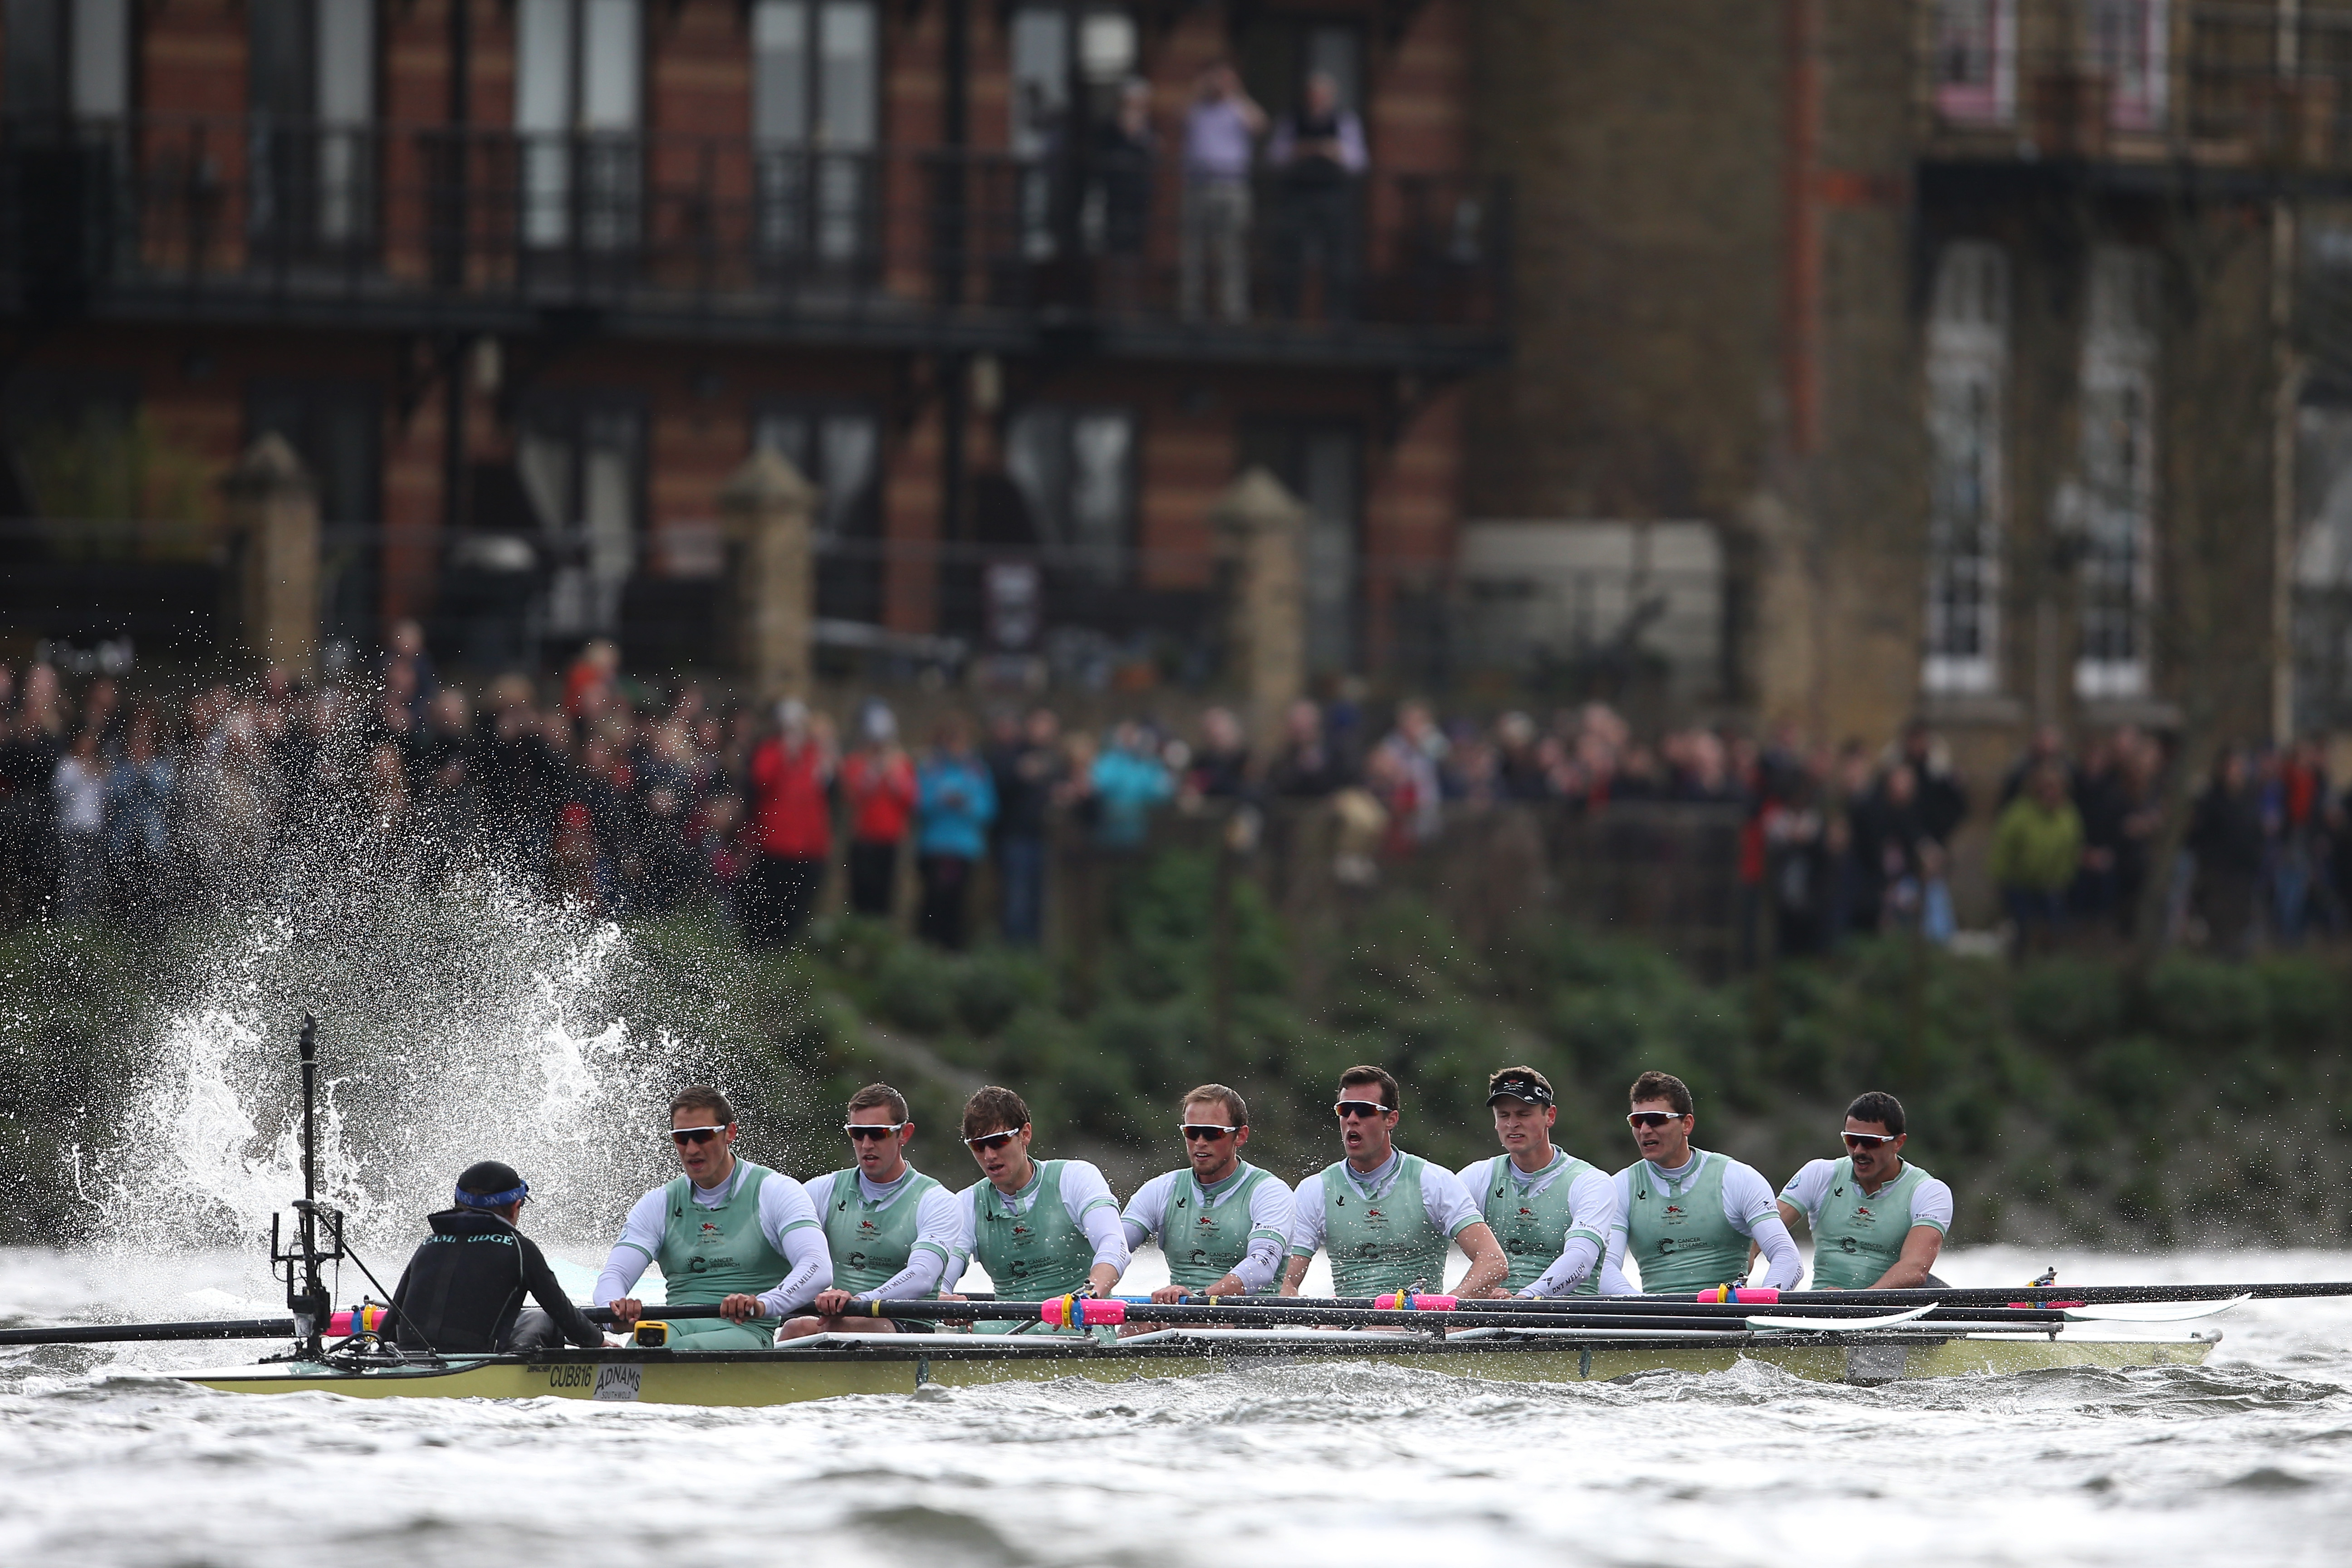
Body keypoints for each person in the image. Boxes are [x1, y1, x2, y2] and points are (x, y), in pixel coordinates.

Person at [595, 1087, 832, 1348]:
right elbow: (614, 1276)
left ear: (729, 1133)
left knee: (684, 1350)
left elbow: (817, 1267)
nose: (692, 1149)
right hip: (675, 1323)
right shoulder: (659, 1202)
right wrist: (614, 1312)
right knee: (641, 1346)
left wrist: (765, 1303)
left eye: (702, 1136)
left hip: (747, 1329)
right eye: (682, 1139)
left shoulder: (776, 1191)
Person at [1282, 1065, 1508, 1298]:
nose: (1351, 1119)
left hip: (1419, 1326)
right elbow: (1284, 1281)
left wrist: (1446, 1307)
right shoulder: (1315, 1189)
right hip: (1347, 1327)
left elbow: (1493, 1261)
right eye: (1345, 1110)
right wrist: (1310, 1325)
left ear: (1391, 1119)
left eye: (1364, 1110)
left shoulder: (1433, 1182)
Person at [779, 1083, 963, 1340]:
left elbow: (922, 1276)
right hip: (842, 1319)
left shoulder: (936, 1200)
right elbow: (779, 1256)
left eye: (877, 1134)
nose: (866, 1145)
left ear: (904, 1134)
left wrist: (860, 1302)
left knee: (811, 1328)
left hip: (907, 1325)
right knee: (794, 1327)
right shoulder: (823, 1190)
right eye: (857, 1133)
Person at [946, 1085, 1128, 1333]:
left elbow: (1114, 1244)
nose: (989, 1155)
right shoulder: (966, 1202)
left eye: (998, 1142)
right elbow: (946, 1266)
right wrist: (943, 1295)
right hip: (1007, 1326)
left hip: (1078, 1320)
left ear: (1026, 1134)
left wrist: (1091, 1293)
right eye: (978, 1146)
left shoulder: (1075, 1178)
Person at [1605, 1070, 1801, 1294]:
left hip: (1728, 1318)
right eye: (1637, 1121)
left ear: (1687, 1124)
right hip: (1658, 1320)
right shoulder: (1620, 1187)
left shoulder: (1737, 1178)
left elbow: (1788, 1257)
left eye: (1656, 1119)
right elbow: (1605, 1268)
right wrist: (1641, 1308)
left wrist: (1763, 1299)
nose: (1645, 1130)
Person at [384, 1160, 606, 1354]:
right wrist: (601, 1342)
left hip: (408, 1356)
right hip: (476, 1363)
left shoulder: (429, 1244)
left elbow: (392, 1318)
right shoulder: (520, 1249)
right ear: (515, 1206)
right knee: (543, 1318)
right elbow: (563, 1313)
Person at [1120, 1083, 1295, 1301]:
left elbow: (1261, 1267)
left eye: (1213, 1134)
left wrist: (1198, 1299)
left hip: (1249, 1322)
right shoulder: (1162, 1189)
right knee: (1140, 1324)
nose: (1200, 1143)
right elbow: (1114, 1248)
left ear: (1240, 1136)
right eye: (1192, 1132)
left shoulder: (1269, 1192)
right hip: (1185, 1313)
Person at [1455, 1067, 1618, 1298]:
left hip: (1565, 1321)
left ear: (1550, 1116)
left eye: (1523, 1114)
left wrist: (1524, 1299)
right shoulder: (1478, 1176)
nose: (1512, 1124)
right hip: (1498, 1315)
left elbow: (1581, 1261)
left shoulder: (1590, 1182)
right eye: (1504, 1115)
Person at [1770, 1091, 1952, 1290]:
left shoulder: (1929, 1191)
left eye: (1870, 1142)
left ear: (1898, 1143)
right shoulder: (1819, 1175)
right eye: (1851, 1140)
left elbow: (1915, 1269)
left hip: (1885, 1311)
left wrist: (1855, 1302)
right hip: (1821, 1306)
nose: (1858, 1152)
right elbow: (1765, 1232)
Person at [1268, 70, 1367, 319]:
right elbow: (1274, 157)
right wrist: (1300, 150)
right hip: (1298, 195)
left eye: (1322, 95)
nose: (1317, 99)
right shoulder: (1292, 121)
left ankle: (1338, 318)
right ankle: (1287, 316)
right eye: (1313, 95)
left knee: (1338, 259)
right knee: (1290, 257)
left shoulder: (1344, 121)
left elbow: (1359, 161)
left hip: (1333, 196)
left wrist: (1334, 151)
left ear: (1331, 97)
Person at [740, 700, 834, 949]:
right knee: (768, 901)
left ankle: (786, 948)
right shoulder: (770, 751)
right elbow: (761, 781)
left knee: (797, 905)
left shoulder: (815, 754)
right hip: (774, 842)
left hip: (808, 845)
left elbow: (830, 787)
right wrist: (785, 754)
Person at [1180, 61, 1266, 323]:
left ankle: (1233, 310)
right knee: (1192, 248)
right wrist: (1200, 89)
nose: (1219, 85)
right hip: (1198, 186)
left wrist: (1236, 93)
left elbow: (1260, 124)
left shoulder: (1239, 107)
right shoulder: (1198, 108)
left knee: (1231, 249)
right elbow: (1179, 117)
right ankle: (1189, 308)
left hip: (1231, 187)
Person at [915, 715, 995, 950]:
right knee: (932, 901)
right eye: (951, 741)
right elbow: (918, 804)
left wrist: (966, 804)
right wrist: (941, 800)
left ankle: (953, 952)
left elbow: (988, 810)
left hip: (964, 848)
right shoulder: (931, 768)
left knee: (958, 904)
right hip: (935, 846)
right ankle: (926, 948)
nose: (957, 747)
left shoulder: (978, 771)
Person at [1992, 759, 2083, 959]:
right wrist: (2003, 879)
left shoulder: (2068, 817)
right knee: (2021, 926)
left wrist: (2062, 879)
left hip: (2052, 884)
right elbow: (2004, 850)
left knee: (2055, 924)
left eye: (2055, 787)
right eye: (2046, 788)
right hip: (2019, 882)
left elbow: (2071, 853)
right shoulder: (2019, 814)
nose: (2051, 793)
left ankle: (2050, 962)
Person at [842, 702, 917, 919]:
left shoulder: (902, 763)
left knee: (885, 893)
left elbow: (910, 798)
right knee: (861, 889)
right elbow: (852, 795)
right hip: (863, 836)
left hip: (891, 837)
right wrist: (873, 773)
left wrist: (894, 775)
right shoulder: (856, 761)